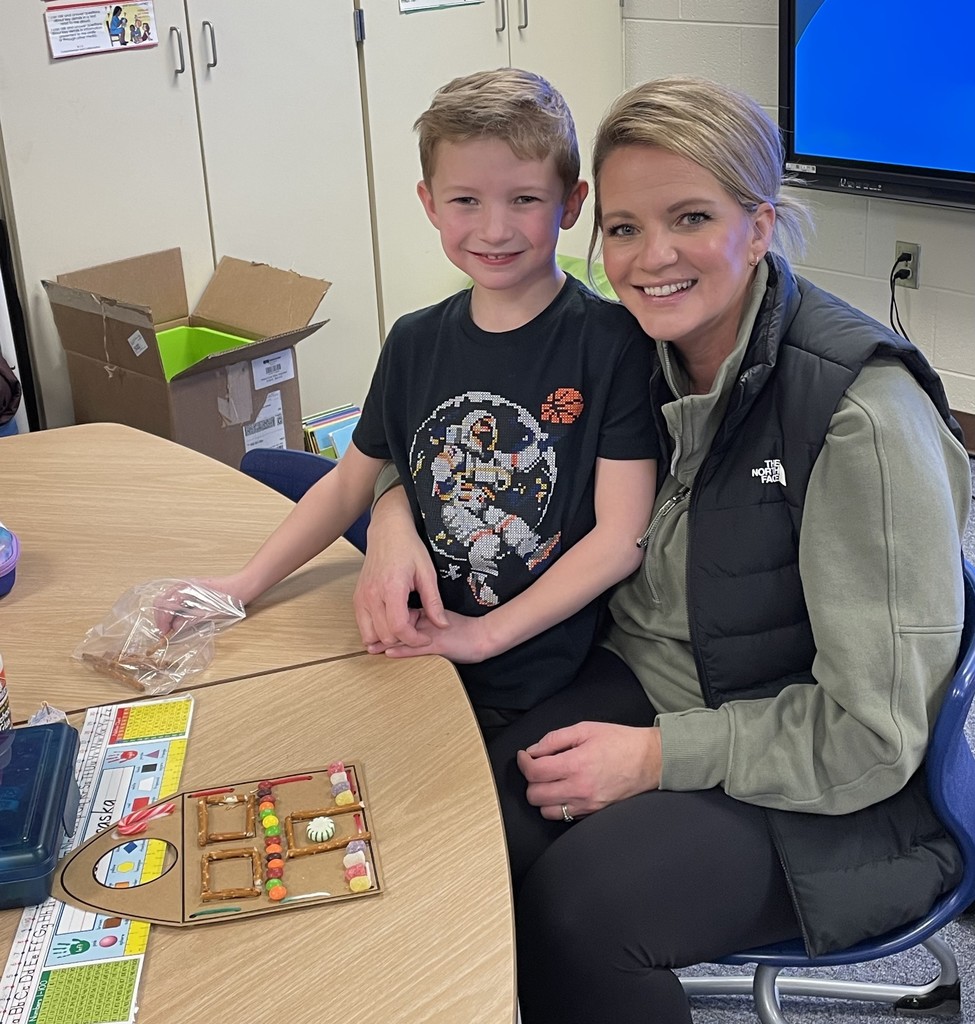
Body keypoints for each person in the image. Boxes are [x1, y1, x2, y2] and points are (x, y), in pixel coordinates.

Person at [352, 76, 972, 1023]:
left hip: (824, 776)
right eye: (625, 228)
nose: (652, 258)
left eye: (690, 217)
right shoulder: (636, 345)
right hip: (655, 678)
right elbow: (451, 438)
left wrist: (654, 759)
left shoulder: (856, 418)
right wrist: (392, 510)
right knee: (454, 836)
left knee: (579, 915)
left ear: (758, 226)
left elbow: (872, 736)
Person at [170, 68, 657, 739]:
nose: (493, 228)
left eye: (522, 199)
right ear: (429, 203)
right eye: (465, 201)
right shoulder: (413, 340)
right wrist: (240, 584)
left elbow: (619, 538)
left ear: (570, 204)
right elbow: (348, 486)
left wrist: (483, 636)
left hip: (528, 675)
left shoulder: (612, 343)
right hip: (405, 640)